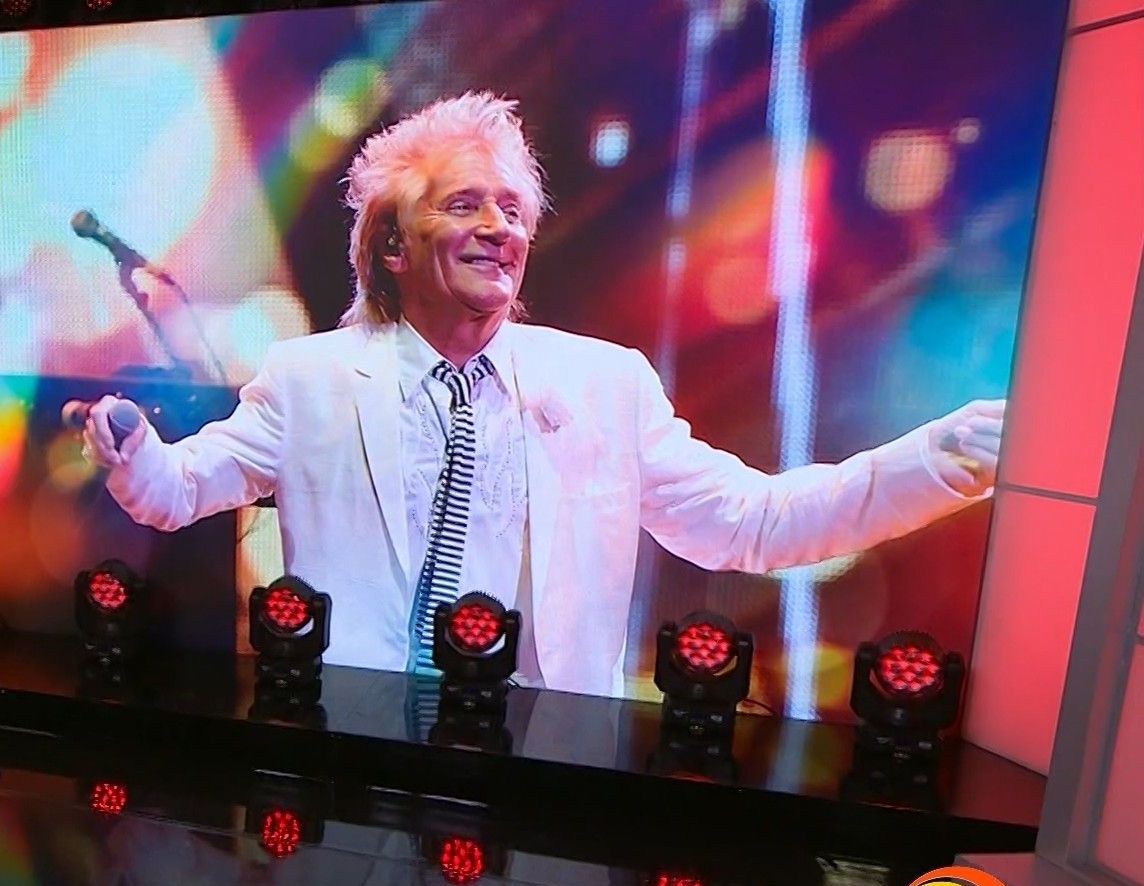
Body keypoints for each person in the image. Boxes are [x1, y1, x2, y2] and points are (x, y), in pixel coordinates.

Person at [82, 91, 1002, 698]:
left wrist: (946, 457)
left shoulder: (606, 384)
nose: (499, 228)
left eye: (513, 210)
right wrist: (131, 447)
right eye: (465, 205)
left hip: (540, 770)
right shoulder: (308, 378)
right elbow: (177, 489)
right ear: (392, 245)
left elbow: (755, 523)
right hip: (357, 761)